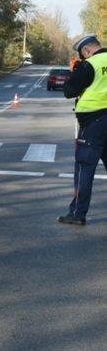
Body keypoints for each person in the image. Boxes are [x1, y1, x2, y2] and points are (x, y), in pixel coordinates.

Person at [58, 34, 107, 226]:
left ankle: (78, 213)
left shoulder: (89, 65)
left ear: (86, 50)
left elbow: (68, 91)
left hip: (93, 123)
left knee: (84, 168)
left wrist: (76, 71)